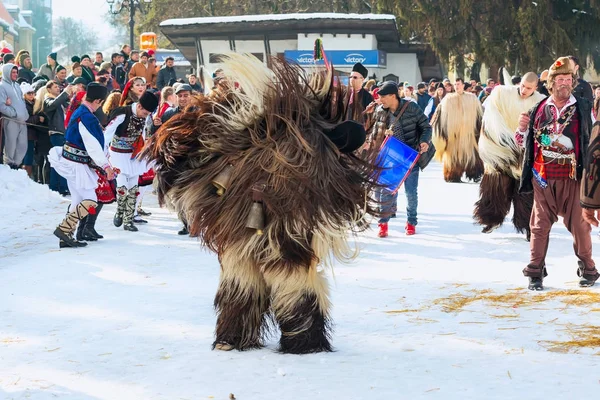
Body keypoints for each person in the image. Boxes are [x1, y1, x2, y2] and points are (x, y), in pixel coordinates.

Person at [142, 55, 379, 354]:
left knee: (244, 271)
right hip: (268, 215)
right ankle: (299, 337)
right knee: (285, 270)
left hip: (253, 212)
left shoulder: (278, 136)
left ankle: (237, 335)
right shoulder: (286, 139)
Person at [516, 56, 599, 290]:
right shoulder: (538, 109)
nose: (564, 83)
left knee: (581, 226)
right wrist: (522, 129)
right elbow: (524, 142)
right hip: (543, 177)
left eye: (568, 79)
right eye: (560, 79)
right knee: (539, 226)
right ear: (551, 83)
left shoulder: (584, 108)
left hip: (574, 177)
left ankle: (588, 268)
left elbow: (595, 139)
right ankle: (535, 271)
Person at [474, 72, 546, 238]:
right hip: (500, 151)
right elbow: (490, 118)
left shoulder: (540, 101)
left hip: (524, 155)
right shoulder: (501, 94)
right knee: (494, 188)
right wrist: (503, 142)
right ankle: (491, 220)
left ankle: (528, 226)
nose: (524, 90)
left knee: (526, 193)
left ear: (536, 88)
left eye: (529, 88)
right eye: (522, 86)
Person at [48, 83, 112, 248]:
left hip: (72, 161)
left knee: (77, 200)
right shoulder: (87, 117)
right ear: (98, 100)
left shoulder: (80, 112)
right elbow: (92, 145)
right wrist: (105, 166)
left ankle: (65, 238)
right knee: (91, 200)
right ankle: (64, 229)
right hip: (77, 164)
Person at [367, 81, 433, 237]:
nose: (380, 100)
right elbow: (375, 132)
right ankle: (383, 224)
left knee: (410, 192)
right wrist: (381, 136)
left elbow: (426, 126)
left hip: (410, 157)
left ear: (392, 95)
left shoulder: (412, 108)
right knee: (387, 190)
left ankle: (411, 222)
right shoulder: (380, 111)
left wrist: (424, 141)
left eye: (382, 96)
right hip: (390, 157)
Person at [105, 91, 159, 232]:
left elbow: (142, 132)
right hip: (117, 153)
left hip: (134, 154)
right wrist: (103, 154)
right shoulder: (122, 113)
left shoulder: (145, 116)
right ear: (140, 106)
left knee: (133, 187)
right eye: (145, 113)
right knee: (122, 186)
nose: (146, 116)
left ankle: (128, 220)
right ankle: (119, 211)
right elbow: (107, 133)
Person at [431, 77, 484, 183]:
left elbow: (479, 117)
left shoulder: (472, 98)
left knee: (473, 157)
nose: (457, 86)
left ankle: (474, 173)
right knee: (453, 159)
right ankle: (453, 175)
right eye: (455, 84)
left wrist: (481, 133)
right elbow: (439, 117)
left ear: (463, 85)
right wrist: (442, 134)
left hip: (470, 136)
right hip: (453, 137)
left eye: (458, 84)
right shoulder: (447, 99)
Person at [44, 81, 74, 195]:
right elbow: (53, 105)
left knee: (62, 161)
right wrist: (65, 93)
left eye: (58, 87)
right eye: (55, 87)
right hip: (56, 133)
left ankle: (59, 186)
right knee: (60, 161)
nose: (58, 88)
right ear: (49, 90)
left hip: (64, 133)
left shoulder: (61, 101)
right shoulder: (48, 100)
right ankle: (59, 186)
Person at [0, 63, 29, 168]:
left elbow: (22, 101)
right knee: (10, 144)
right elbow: (2, 106)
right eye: (13, 72)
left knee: (22, 145)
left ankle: (16, 165)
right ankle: (9, 165)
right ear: (7, 72)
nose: (15, 74)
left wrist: (25, 114)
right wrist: (14, 114)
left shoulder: (17, 86)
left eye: (16, 72)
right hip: (11, 120)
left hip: (22, 121)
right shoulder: (2, 86)